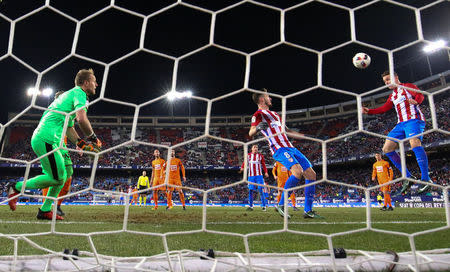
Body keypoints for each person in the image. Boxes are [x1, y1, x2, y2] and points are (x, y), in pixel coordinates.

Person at [7, 69, 101, 220]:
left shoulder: (68, 96)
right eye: (94, 81)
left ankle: (45, 210)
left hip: (47, 139)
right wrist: (93, 137)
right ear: (85, 83)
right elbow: (81, 119)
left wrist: (81, 144)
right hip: (47, 138)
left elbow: (69, 128)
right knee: (58, 178)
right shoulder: (79, 93)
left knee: (61, 176)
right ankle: (16, 187)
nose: (96, 84)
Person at [249, 89, 322, 219]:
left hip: (291, 148)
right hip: (279, 149)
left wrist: (307, 136)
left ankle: (308, 210)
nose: (270, 98)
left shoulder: (276, 115)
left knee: (311, 174)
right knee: (297, 171)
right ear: (261, 99)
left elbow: (287, 131)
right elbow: (251, 131)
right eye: (268, 96)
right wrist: (258, 127)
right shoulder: (258, 114)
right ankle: (281, 204)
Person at [362, 71, 432, 194]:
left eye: (388, 79)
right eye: (385, 81)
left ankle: (426, 179)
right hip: (401, 124)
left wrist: (417, 101)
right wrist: (369, 111)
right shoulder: (393, 95)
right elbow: (384, 108)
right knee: (387, 149)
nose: (387, 82)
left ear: (396, 77)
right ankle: (408, 177)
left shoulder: (408, 86)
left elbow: (419, 95)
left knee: (414, 144)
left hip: (413, 120)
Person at [240, 145, 269, 211]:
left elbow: (263, 164)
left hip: (259, 176)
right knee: (250, 190)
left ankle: (264, 206)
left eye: (257, 148)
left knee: (260, 190)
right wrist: (242, 167)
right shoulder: (248, 155)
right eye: (254, 147)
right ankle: (251, 206)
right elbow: (245, 162)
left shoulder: (260, 156)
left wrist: (266, 172)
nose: (256, 149)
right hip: (251, 176)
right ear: (252, 149)